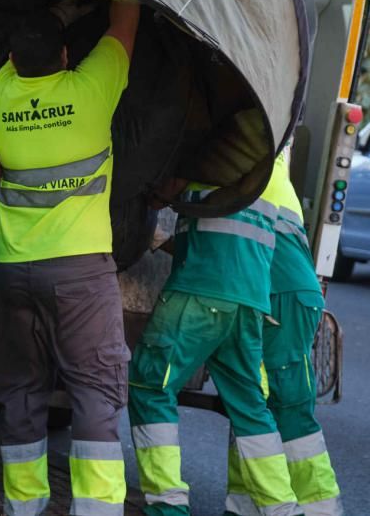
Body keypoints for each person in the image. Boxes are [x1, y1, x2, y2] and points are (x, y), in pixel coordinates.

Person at [0, 0, 140, 516]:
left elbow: (25, 52)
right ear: (68, 56)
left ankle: (23, 507)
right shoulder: (90, 91)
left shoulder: (4, 92)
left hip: (13, 271)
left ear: (12, 57)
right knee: (96, 391)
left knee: (21, 392)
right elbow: (126, 21)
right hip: (79, 273)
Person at [127, 157, 299, 516]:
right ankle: (282, 509)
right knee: (250, 405)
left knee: (150, 384)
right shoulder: (269, 168)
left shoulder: (215, 152)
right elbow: (221, 236)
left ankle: (167, 505)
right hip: (249, 299)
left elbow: (165, 193)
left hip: (199, 290)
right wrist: (161, 241)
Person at [225, 151, 342, 516]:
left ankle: (320, 510)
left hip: (280, 293)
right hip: (284, 292)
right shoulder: (268, 160)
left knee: (287, 405)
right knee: (255, 401)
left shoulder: (244, 164)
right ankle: (244, 505)